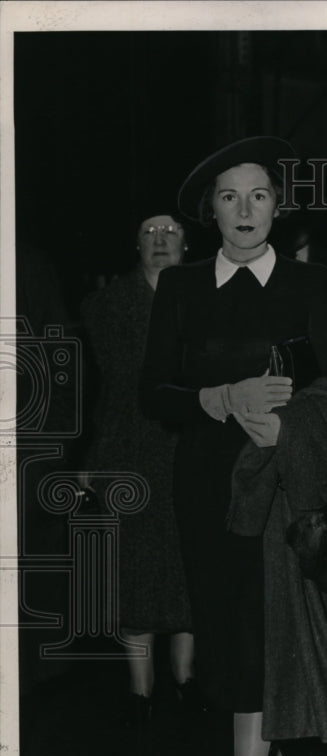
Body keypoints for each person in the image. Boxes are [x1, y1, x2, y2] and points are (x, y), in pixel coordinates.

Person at [140, 136, 327, 756]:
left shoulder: (311, 283)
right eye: (229, 198)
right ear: (210, 214)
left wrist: (288, 424)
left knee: (262, 634)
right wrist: (216, 399)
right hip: (208, 489)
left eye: (259, 195)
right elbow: (153, 394)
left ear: (278, 205)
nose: (244, 210)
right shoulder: (182, 289)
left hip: (285, 486)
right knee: (231, 630)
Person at [81, 211, 195, 726]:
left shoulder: (208, 298)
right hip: (128, 453)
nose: (159, 240)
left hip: (190, 452)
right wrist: (91, 461)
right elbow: (99, 391)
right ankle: (141, 695)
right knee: (135, 576)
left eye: (169, 232)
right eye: (149, 233)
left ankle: (188, 686)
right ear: (135, 245)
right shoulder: (105, 307)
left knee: (187, 573)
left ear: (187, 243)